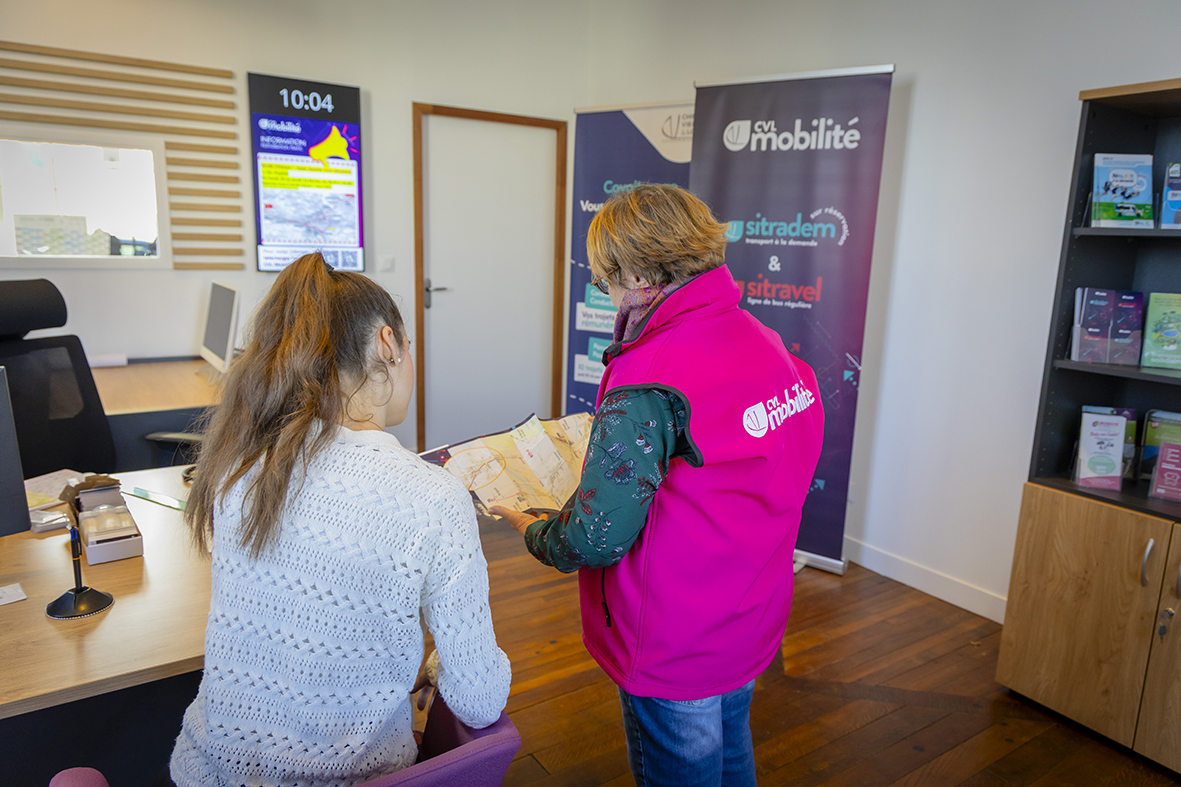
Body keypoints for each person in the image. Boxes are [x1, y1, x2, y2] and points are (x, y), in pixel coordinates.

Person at [493, 185, 824, 787]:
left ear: (641, 276)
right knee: (730, 751)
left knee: (684, 768)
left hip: (675, 632)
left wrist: (536, 530)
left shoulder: (652, 372)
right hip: (749, 609)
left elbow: (594, 538)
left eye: (605, 280)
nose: (607, 293)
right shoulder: (766, 342)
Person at [167, 252, 511, 787]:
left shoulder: (239, 465)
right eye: (409, 346)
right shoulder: (431, 495)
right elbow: (480, 702)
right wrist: (443, 662)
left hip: (205, 772)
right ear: (387, 344)